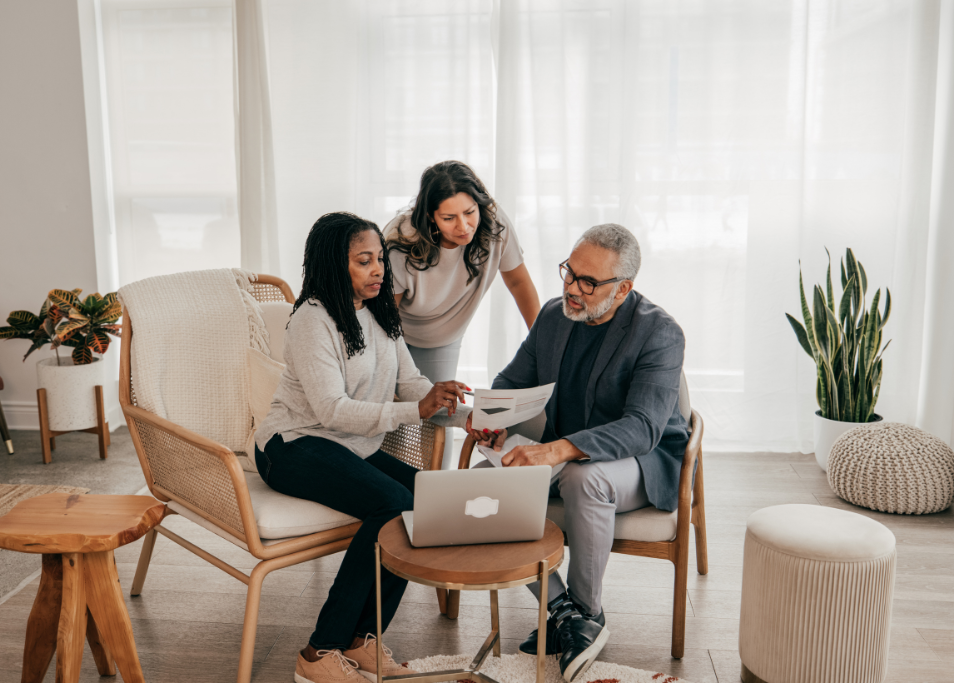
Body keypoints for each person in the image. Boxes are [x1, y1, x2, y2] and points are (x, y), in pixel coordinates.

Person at [253, 212, 470, 683]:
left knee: (427, 503)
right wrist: (415, 410)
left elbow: (412, 384)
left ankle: (361, 639)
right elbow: (331, 409)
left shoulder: (379, 314)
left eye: (379, 260)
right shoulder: (312, 321)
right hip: (292, 444)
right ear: (336, 264)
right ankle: (319, 652)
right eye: (363, 261)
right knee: (393, 504)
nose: (378, 270)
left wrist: (469, 418)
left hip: (353, 447)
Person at [468, 224, 689, 683]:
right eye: (569, 272)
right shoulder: (554, 316)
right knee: (489, 479)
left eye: (588, 282)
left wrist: (559, 450)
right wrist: (492, 418)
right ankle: (566, 614)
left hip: (642, 461)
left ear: (622, 289)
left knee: (583, 477)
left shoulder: (659, 332)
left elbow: (643, 427)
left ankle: (588, 611)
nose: (571, 287)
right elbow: (513, 381)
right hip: (566, 453)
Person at [385, 161, 541, 466]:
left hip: (443, 337)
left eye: (470, 212)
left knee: (442, 421)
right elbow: (385, 323)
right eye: (448, 218)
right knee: (396, 422)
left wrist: (542, 343)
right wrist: (404, 382)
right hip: (393, 334)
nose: (464, 226)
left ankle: (435, 491)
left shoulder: (495, 225)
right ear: (429, 216)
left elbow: (519, 282)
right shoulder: (401, 242)